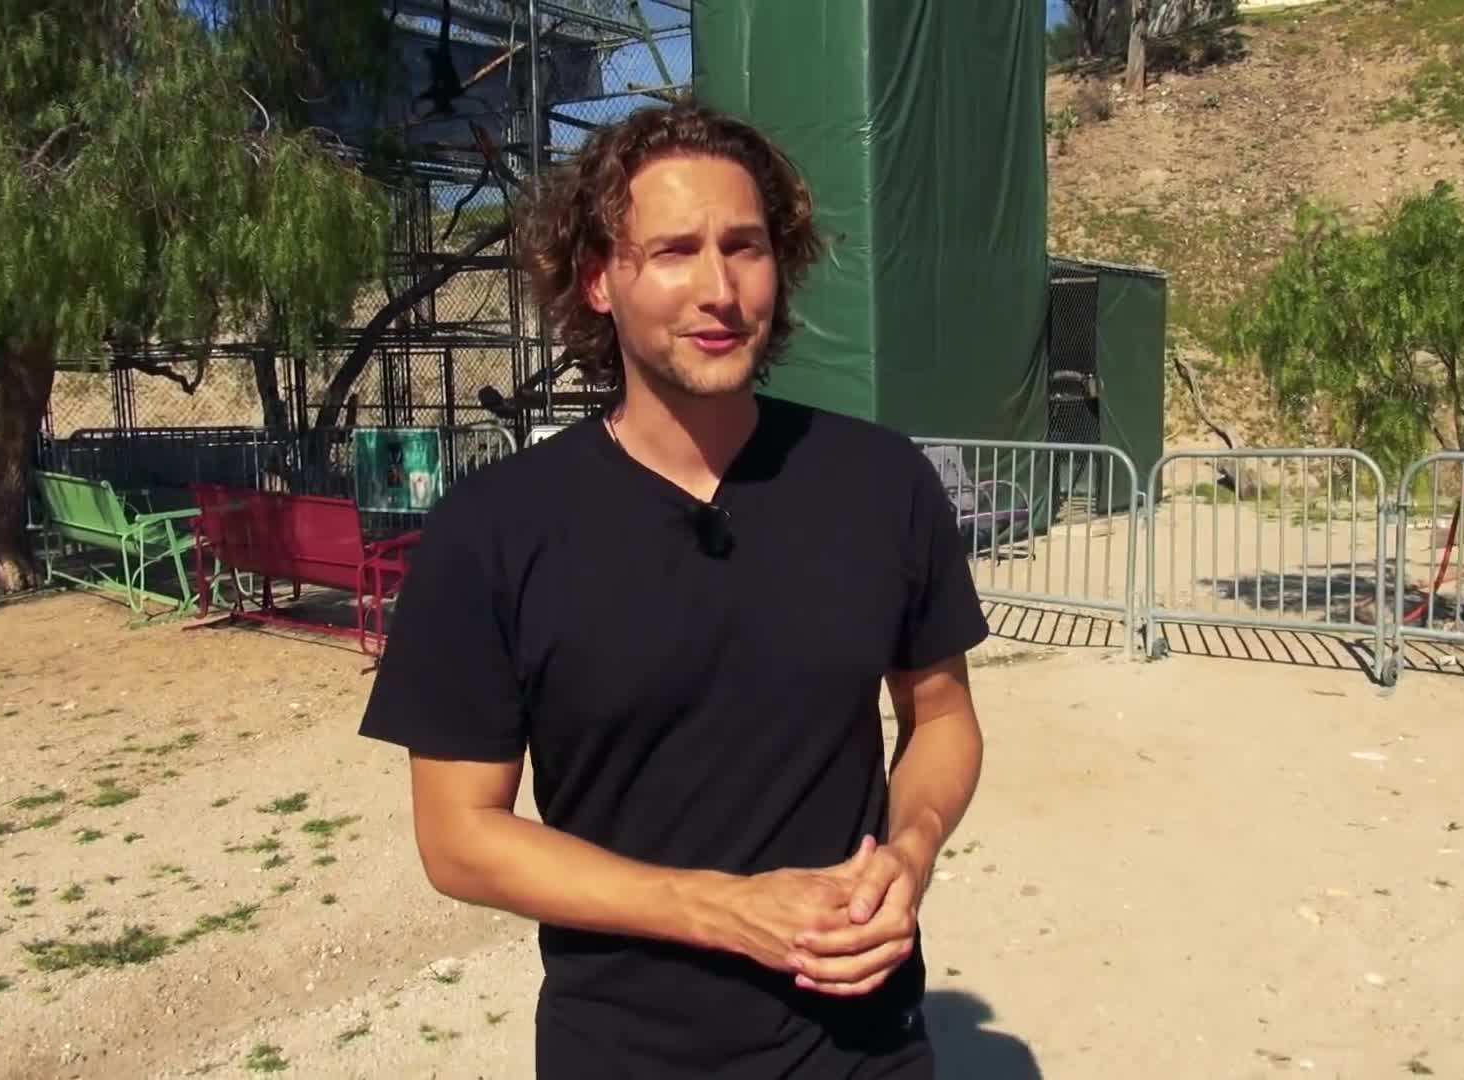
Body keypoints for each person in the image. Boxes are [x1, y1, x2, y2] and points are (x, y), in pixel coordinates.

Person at [357, 99, 990, 1078]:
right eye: (674, 252)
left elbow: (941, 717)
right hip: (628, 1051)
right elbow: (459, 837)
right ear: (599, 281)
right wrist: (724, 911)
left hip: (867, 1045)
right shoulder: (496, 529)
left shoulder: (881, 484)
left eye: (745, 246)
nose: (720, 288)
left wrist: (911, 850)